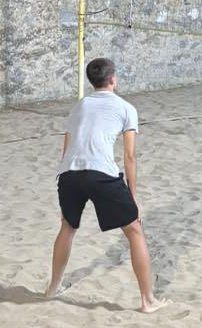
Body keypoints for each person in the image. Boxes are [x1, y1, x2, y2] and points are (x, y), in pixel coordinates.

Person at [46, 57, 164, 312]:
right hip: (100, 174)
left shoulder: (79, 106)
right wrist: (133, 197)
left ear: (92, 81)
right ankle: (148, 301)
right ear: (113, 79)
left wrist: (65, 185)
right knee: (135, 231)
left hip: (69, 173)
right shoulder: (126, 108)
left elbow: (67, 147)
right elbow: (129, 157)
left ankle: (52, 289)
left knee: (67, 227)